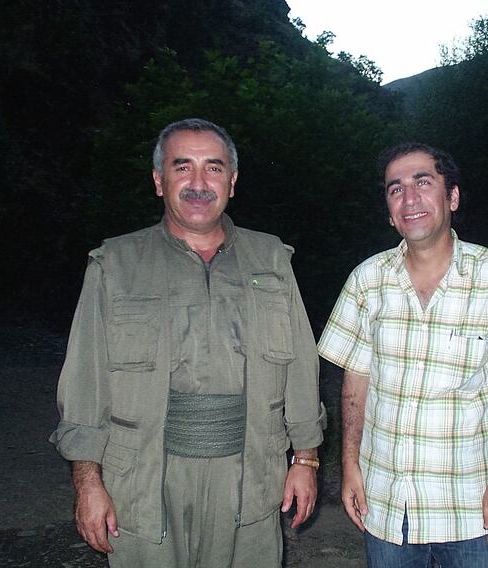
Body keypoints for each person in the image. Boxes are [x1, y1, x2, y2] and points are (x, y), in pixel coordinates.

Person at [49, 118, 326, 567]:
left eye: (214, 168)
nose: (199, 182)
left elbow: (300, 369)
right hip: (144, 480)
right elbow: (85, 382)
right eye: (183, 167)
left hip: (251, 474)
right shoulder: (115, 265)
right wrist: (87, 483)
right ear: (159, 181)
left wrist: (306, 460)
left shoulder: (272, 260)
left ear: (232, 183)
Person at [317, 143, 488, 567]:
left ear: (452, 197)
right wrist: (349, 466)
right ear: (389, 209)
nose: (409, 198)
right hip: (388, 502)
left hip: (471, 506)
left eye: (423, 183)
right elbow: (355, 380)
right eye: (395, 189)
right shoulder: (366, 280)